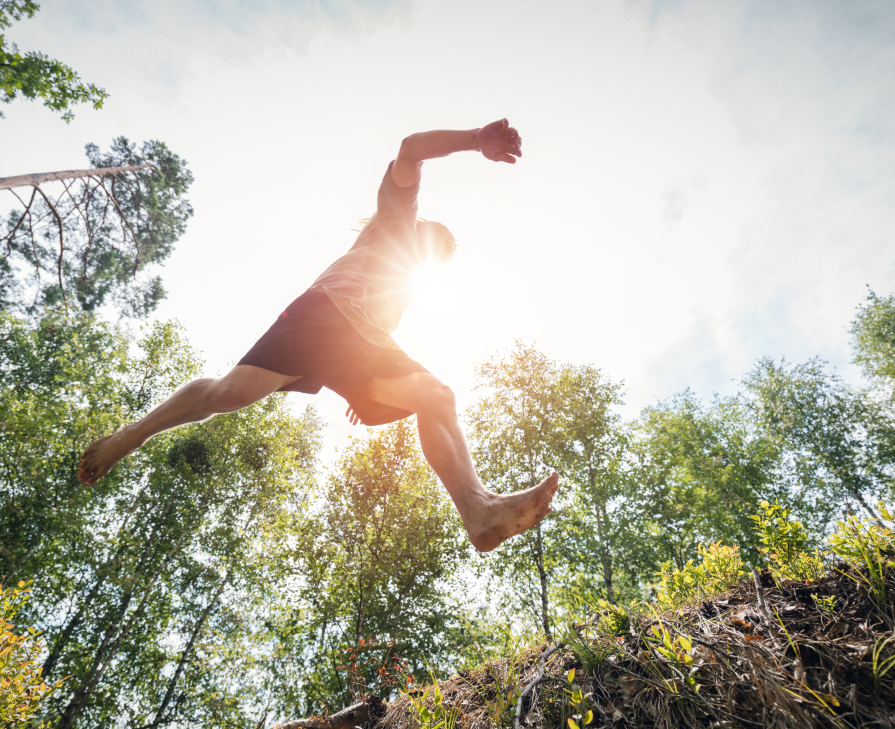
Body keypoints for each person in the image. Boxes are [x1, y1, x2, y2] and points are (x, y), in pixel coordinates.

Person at [78, 119, 559, 552]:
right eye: (441, 242)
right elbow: (411, 147)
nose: (442, 253)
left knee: (435, 394)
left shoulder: (406, 287)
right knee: (228, 393)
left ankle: (478, 509)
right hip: (324, 313)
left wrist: (356, 384)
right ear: (423, 227)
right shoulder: (398, 220)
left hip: (362, 347)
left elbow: (379, 335)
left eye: (447, 255)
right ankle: (130, 437)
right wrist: (476, 140)